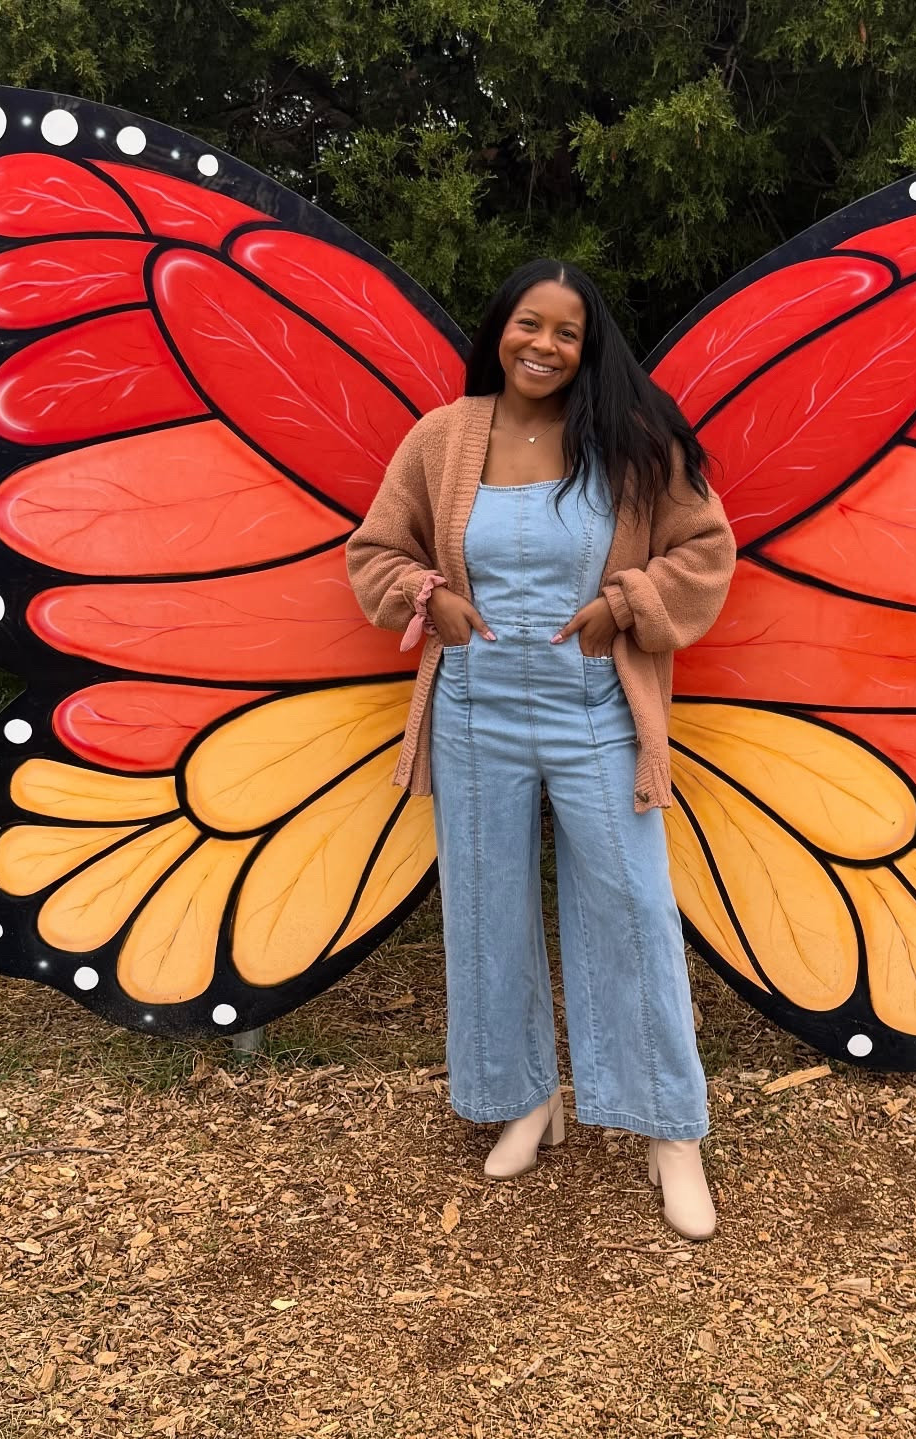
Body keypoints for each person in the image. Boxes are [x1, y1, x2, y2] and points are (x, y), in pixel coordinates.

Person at [345, 258, 737, 1241]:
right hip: (475, 713)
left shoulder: (631, 440)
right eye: (530, 324)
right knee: (486, 913)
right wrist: (434, 600)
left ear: (587, 344)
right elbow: (375, 552)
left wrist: (624, 603)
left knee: (636, 909)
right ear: (501, 328)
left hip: (597, 712)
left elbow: (704, 550)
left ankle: (668, 1130)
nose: (545, 345)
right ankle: (526, 1098)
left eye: (566, 331)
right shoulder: (443, 438)